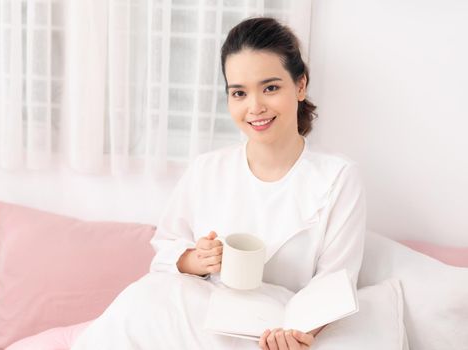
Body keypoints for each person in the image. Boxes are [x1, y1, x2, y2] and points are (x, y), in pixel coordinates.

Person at [71, 16, 365, 350]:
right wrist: (196, 260)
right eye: (239, 93)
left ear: (300, 86)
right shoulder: (207, 169)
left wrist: (298, 332)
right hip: (202, 318)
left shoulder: (338, 178)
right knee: (139, 301)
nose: (254, 107)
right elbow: (166, 251)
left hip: (276, 329)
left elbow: (335, 282)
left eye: (270, 87)